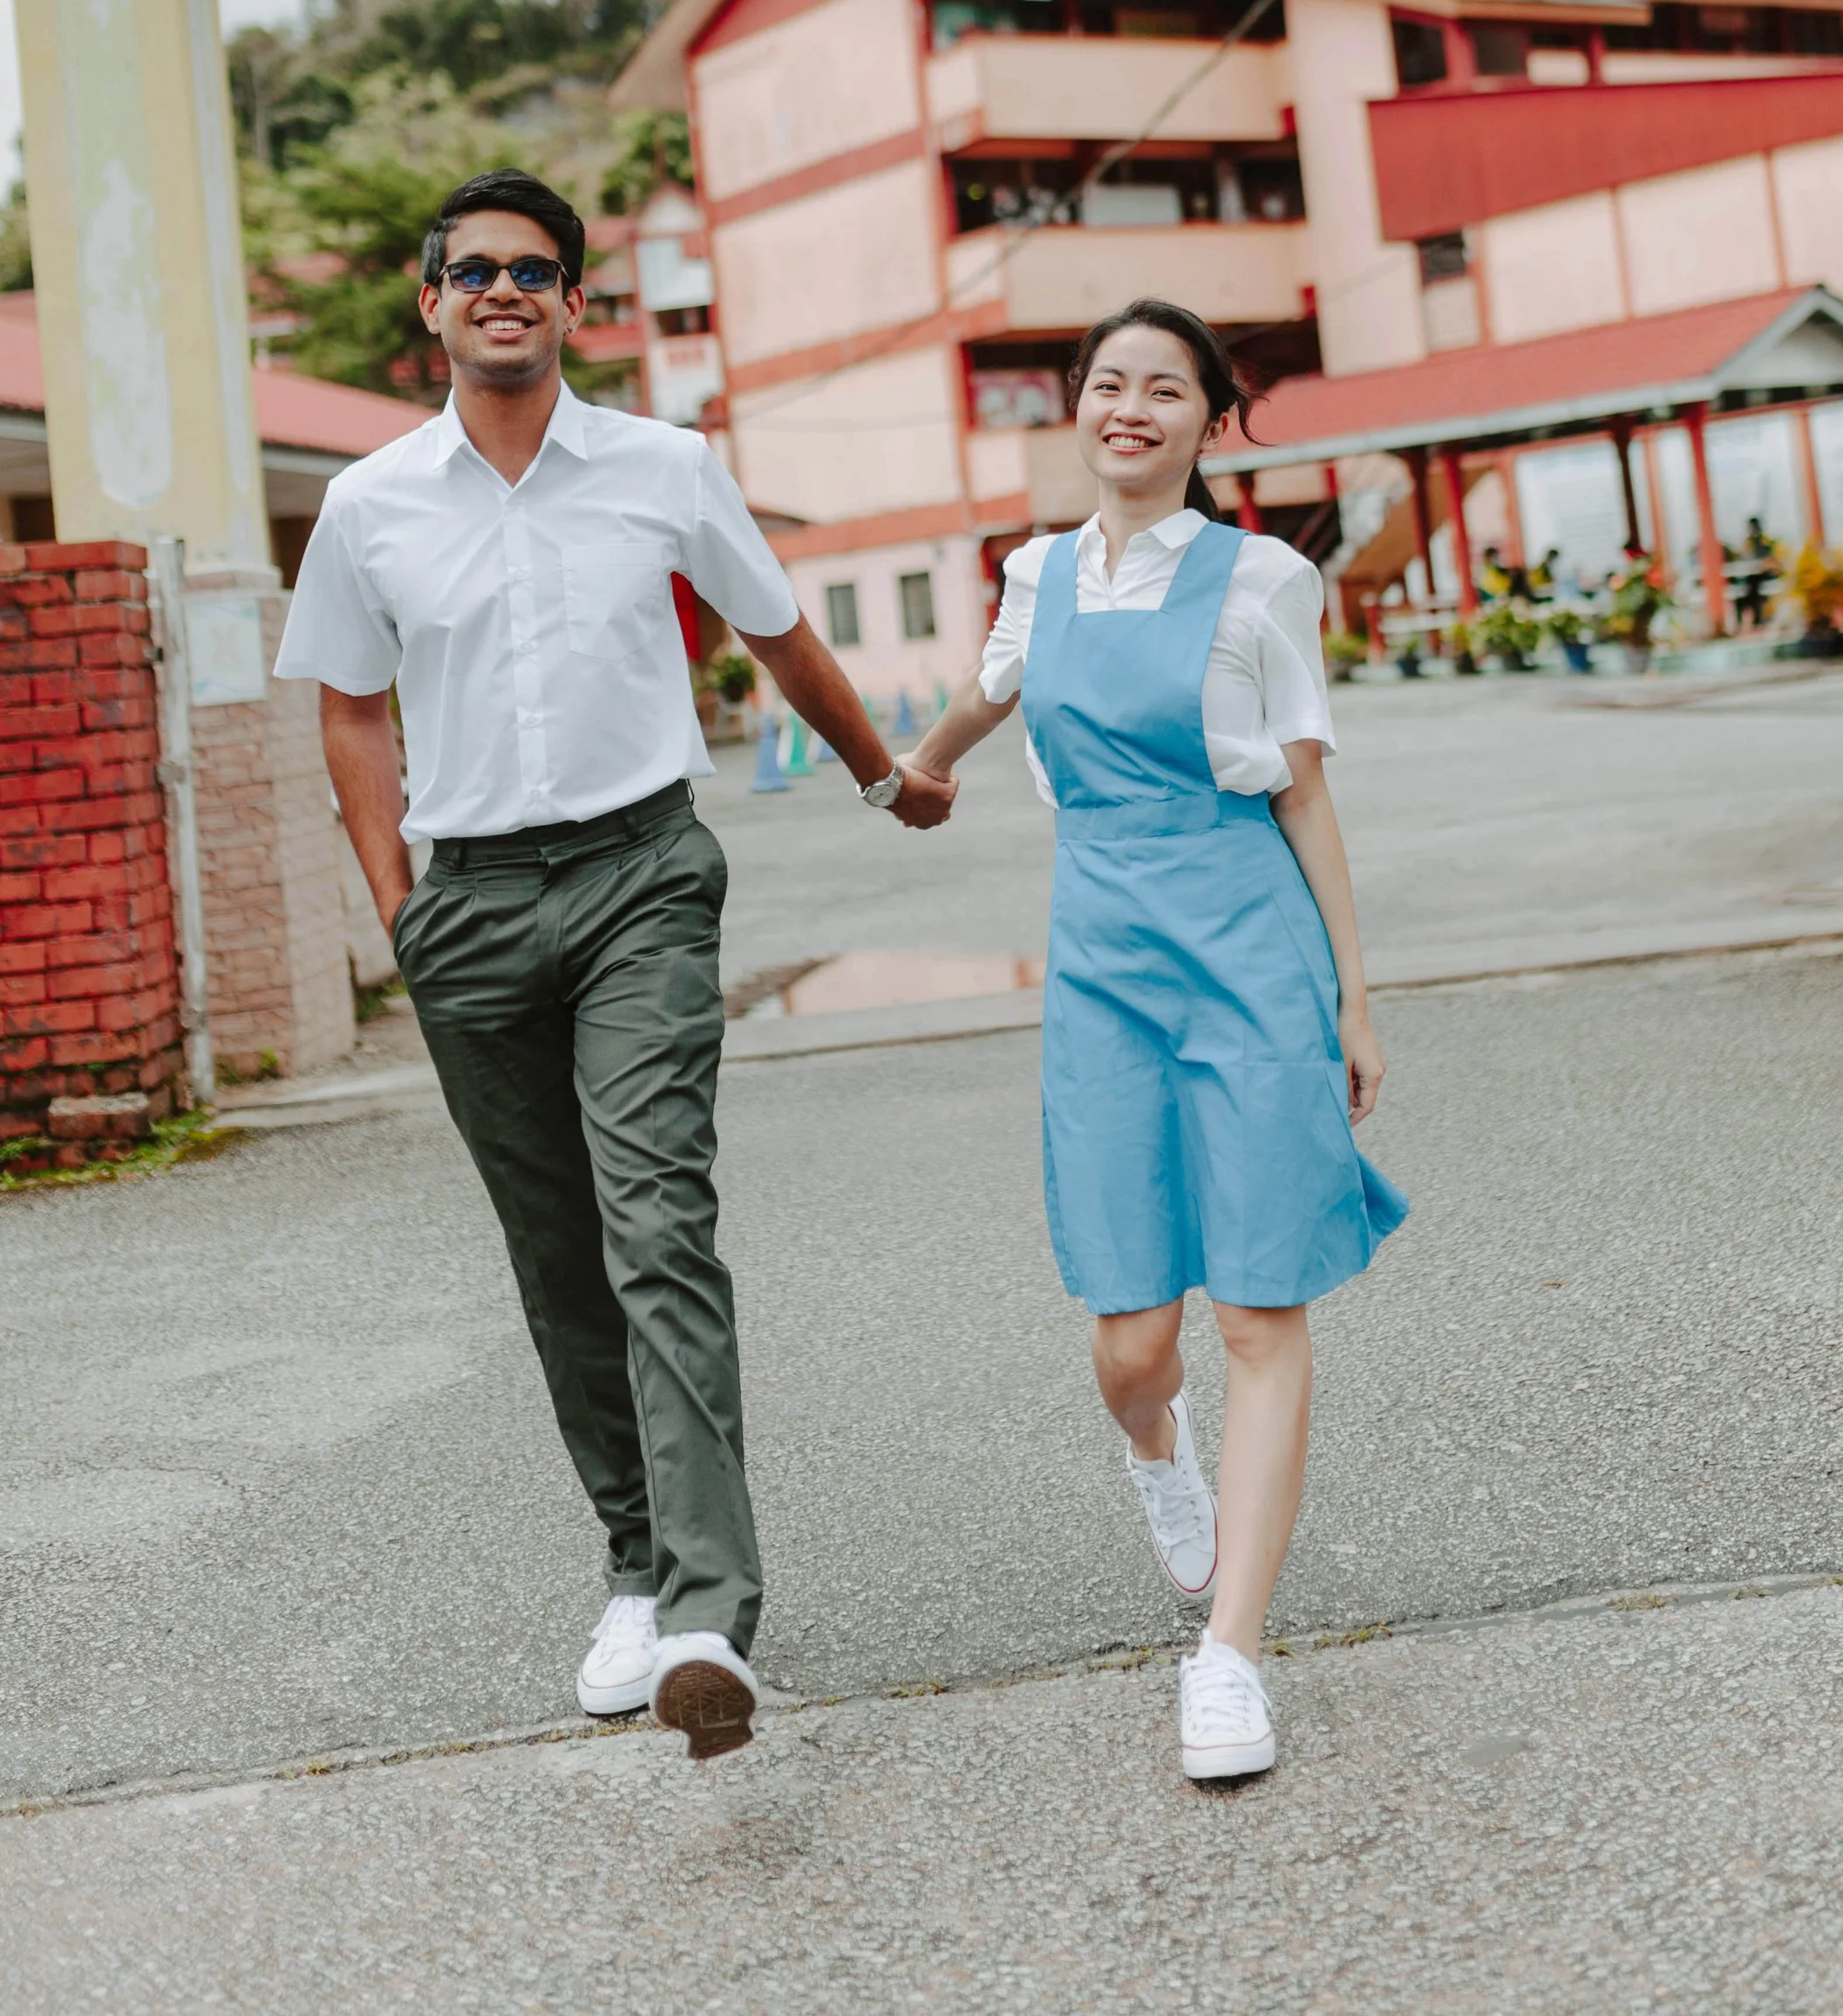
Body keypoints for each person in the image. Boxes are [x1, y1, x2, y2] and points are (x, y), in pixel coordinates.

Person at [275, 170, 954, 1761]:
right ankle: (635, 1562)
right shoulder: (370, 505)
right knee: (556, 1248)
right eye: (475, 269)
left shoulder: (665, 466)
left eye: (537, 270)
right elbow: (350, 708)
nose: (506, 289)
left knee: (658, 1220)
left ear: (576, 304)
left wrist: (879, 772)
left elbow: (779, 629)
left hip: (645, 872)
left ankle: (711, 1609)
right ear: (428, 303)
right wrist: (400, 907)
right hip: (474, 905)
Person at [902, 298, 1405, 1785]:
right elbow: (991, 695)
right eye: (1109, 383)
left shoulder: (1265, 578)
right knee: (1133, 1337)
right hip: (1105, 964)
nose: (1132, 407)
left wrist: (1353, 996)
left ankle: (1232, 1656)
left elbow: (1304, 789)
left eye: (1166, 388)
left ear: (1208, 418)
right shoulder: (1035, 572)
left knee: (1261, 1306)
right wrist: (914, 768)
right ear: (1078, 407)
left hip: (1250, 948)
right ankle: (1153, 1450)